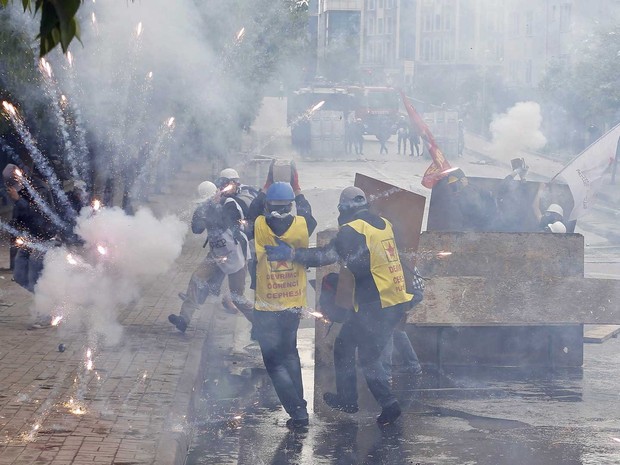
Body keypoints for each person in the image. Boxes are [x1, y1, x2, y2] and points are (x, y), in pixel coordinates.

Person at [265, 186, 414, 425]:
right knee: (346, 345)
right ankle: (351, 399)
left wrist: (291, 253)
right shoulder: (383, 223)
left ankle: (387, 404)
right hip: (391, 301)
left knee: (368, 357)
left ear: (343, 209)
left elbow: (326, 255)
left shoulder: (353, 230)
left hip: (377, 305)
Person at [252, 182, 317, 429]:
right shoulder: (303, 225)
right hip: (293, 303)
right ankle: (299, 404)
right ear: (291, 204)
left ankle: (297, 411)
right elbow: (307, 211)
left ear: (268, 204)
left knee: (274, 360)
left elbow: (253, 209)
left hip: (268, 306)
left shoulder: (259, 225)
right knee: (290, 354)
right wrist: (298, 189)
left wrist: (264, 188)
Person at [168, 178, 254, 333]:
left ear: (217, 193)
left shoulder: (229, 203)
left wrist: (212, 208)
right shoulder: (204, 207)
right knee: (196, 279)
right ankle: (184, 319)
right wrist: (200, 212)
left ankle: (259, 322)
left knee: (237, 296)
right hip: (216, 254)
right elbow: (196, 229)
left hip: (236, 254)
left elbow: (226, 221)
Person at [2, 164, 59, 329]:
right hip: (30, 237)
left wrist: (19, 200)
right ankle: (49, 299)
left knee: (35, 272)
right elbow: (19, 216)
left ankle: (45, 314)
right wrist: (14, 234)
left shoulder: (39, 188)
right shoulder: (18, 189)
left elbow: (38, 214)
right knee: (20, 275)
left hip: (46, 236)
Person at [380, 265, 424, 381]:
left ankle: (385, 374)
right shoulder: (399, 250)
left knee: (387, 328)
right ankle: (413, 365)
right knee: (396, 329)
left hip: (408, 292)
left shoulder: (389, 254)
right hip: (412, 292)